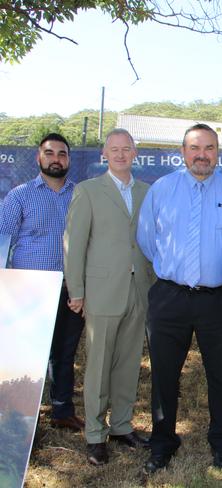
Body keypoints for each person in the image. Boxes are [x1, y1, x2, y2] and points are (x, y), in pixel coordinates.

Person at [137, 123, 222, 474]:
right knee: (165, 375)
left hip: (219, 299)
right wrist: (173, 270)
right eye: (195, 148)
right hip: (170, 297)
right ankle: (162, 443)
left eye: (210, 148)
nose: (202, 155)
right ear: (183, 152)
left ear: (218, 152)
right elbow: (146, 239)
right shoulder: (162, 189)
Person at [64, 128, 154, 465]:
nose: (120, 154)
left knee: (129, 364)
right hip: (102, 291)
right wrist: (77, 291)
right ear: (105, 154)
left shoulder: (147, 192)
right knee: (98, 366)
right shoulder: (88, 191)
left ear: (134, 153)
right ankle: (94, 434)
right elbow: (74, 245)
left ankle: (121, 426)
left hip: (138, 290)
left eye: (126, 149)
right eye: (114, 149)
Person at [0, 133, 85, 431]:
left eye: (62, 153)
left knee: (65, 352)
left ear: (69, 160)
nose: (56, 158)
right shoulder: (19, 196)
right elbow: (2, 239)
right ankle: (19, 424)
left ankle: (62, 411)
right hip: (29, 290)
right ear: (39, 158)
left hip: (70, 289)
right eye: (49, 153)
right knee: (27, 357)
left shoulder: (81, 195)